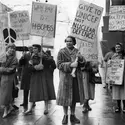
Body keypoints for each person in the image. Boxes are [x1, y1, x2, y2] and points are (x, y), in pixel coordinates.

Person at [56, 36, 85, 124]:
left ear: (74, 42)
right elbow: (59, 65)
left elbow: (84, 63)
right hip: (65, 78)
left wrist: (80, 59)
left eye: (70, 41)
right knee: (65, 97)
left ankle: (72, 115)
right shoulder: (61, 51)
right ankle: (65, 115)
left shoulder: (77, 51)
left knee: (73, 98)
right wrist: (70, 65)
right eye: (67, 41)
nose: (68, 43)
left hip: (75, 78)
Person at [24, 44, 56, 115]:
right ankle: (30, 108)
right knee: (33, 91)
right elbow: (28, 68)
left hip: (45, 75)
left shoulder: (46, 55)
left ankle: (46, 108)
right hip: (35, 76)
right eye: (33, 48)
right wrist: (35, 67)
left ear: (39, 49)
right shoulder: (31, 57)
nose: (33, 49)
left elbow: (53, 64)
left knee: (45, 90)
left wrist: (45, 58)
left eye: (35, 48)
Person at [0, 43, 18, 118]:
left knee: (6, 94)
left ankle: (6, 110)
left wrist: (2, 69)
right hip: (1, 77)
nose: (12, 49)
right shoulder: (2, 55)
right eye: (11, 48)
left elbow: (12, 69)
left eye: (13, 48)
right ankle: (10, 107)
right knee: (3, 93)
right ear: (7, 48)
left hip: (8, 78)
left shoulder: (14, 59)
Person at [110, 43, 125, 113]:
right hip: (116, 77)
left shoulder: (124, 56)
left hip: (123, 76)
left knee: (123, 91)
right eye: (116, 47)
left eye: (119, 47)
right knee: (117, 92)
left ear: (121, 48)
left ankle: (124, 106)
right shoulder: (113, 56)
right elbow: (110, 66)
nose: (117, 48)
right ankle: (118, 106)